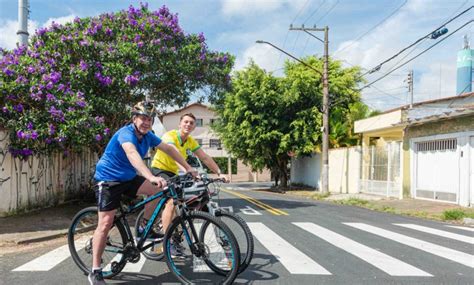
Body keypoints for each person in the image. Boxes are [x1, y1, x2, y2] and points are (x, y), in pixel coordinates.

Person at [89, 101, 196, 285]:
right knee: (105, 223)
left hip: (128, 178)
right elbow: (132, 154)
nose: (146, 122)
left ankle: (142, 227)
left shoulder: (148, 136)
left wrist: (187, 168)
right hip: (108, 180)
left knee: (158, 190)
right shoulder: (125, 133)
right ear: (134, 118)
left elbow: (169, 149)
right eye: (143, 118)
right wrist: (149, 175)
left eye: (150, 119)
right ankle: (96, 271)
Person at [150, 112, 229, 184]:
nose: (188, 124)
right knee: (167, 192)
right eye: (186, 122)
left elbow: (205, 157)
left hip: (173, 173)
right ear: (179, 124)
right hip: (159, 169)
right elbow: (174, 152)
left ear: (194, 127)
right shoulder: (170, 135)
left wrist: (219, 173)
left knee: (183, 196)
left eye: (191, 123)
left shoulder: (191, 141)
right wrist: (188, 169)